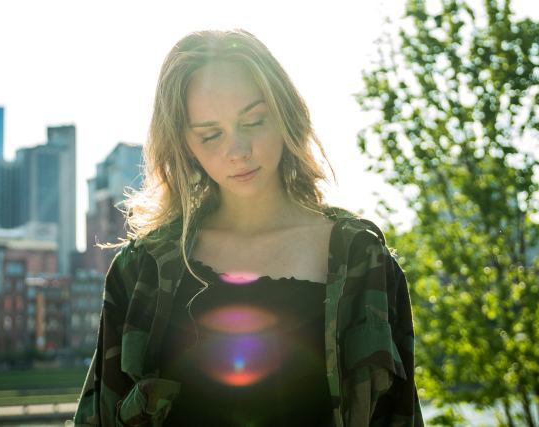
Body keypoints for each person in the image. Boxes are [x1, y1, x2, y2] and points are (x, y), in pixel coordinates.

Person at [71, 29, 422, 427]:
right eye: (211, 134)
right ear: (183, 142)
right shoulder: (141, 270)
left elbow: (400, 415)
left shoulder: (362, 259)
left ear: (285, 114)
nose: (237, 151)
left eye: (253, 121)